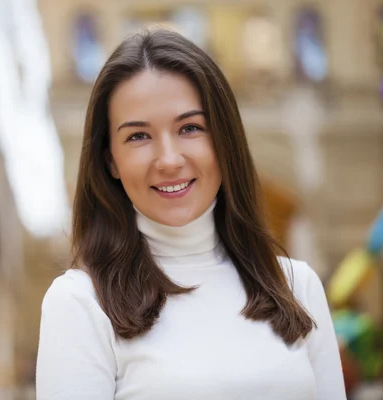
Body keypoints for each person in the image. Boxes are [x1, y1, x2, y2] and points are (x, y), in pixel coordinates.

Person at [36, 29, 345, 400]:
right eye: (138, 136)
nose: (169, 159)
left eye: (190, 128)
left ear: (224, 141)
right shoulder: (80, 304)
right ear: (110, 160)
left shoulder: (297, 287)